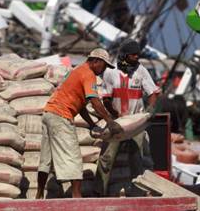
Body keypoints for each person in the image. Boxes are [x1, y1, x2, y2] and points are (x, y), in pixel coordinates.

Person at [36, 48, 123, 199]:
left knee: (46, 158)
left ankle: (38, 194)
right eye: (104, 66)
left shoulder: (77, 71)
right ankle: (77, 196)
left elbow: (81, 105)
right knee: (73, 156)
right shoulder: (88, 74)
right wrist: (110, 121)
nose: (103, 70)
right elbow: (94, 101)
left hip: (49, 113)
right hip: (61, 116)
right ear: (96, 61)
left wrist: (90, 124)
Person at [94, 40, 161, 196]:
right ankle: (99, 192)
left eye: (138, 55)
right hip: (117, 122)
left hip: (136, 123)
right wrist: (113, 114)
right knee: (107, 158)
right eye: (133, 55)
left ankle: (138, 193)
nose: (136, 58)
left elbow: (152, 92)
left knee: (137, 159)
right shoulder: (111, 72)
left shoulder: (141, 71)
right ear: (124, 55)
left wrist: (150, 109)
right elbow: (106, 98)